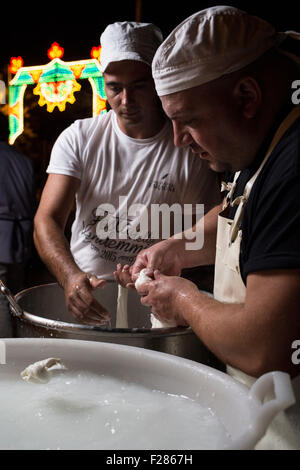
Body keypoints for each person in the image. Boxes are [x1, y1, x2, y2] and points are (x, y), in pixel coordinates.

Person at [121, 6, 300, 449]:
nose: (179, 140)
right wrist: (181, 246)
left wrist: (183, 300)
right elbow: (244, 207)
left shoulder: (295, 166)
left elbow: (263, 345)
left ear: (245, 96)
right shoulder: (268, 139)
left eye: (188, 120)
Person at [33, 21, 221, 325]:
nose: (126, 100)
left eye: (139, 86)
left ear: (158, 81)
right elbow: (47, 219)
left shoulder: (188, 147)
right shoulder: (79, 138)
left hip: (158, 300)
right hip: (88, 294)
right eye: (115, 87)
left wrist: (160, 269)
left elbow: (206, 233)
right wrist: (70, 277)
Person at [0, 113, 35, 337]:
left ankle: (4, 357)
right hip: (21, 239)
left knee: (1, 301)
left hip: (2, 236)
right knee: (16, 297)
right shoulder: (24, 161)